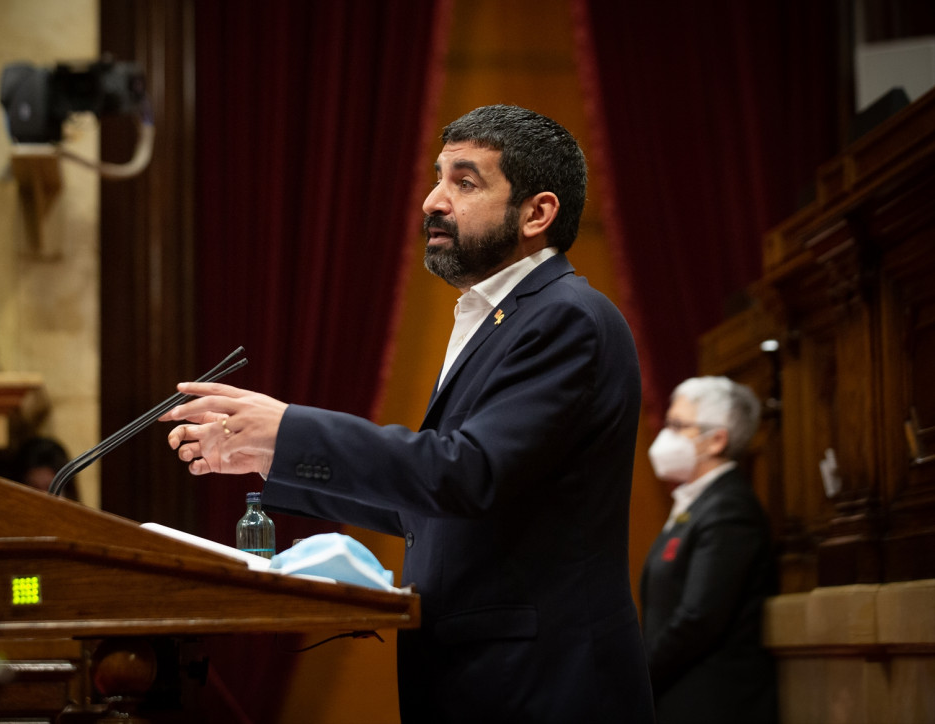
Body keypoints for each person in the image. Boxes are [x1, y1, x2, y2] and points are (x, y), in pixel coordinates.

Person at [164, 105, 654, 722]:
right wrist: (271, 456)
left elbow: (467, 473)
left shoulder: (564, 318)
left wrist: (291, 429)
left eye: (464, 182)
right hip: (485, 682)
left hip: (541, 686)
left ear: (537, 213)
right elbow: (429, 507)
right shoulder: (504, 317)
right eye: (438, 177)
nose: (432, 201)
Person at [641, 376, 778, 724]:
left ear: (717, 440)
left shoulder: (728, 509)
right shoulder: (698, 504)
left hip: (712, 704)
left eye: (677, 425)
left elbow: (698, 619)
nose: (664, 436)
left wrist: (635, 675)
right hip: (680, 697)